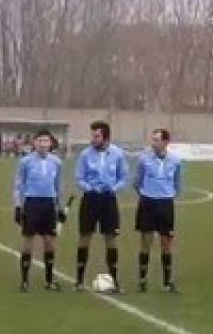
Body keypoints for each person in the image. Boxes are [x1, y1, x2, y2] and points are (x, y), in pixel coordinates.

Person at [74, 121, 129, 292]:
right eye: (92, 135)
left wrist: (114, 188)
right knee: (85, 237)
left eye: (96, 135)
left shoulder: (118, 154)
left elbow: (124, 177)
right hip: (90, 200)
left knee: (110, 239)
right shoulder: (85, 154)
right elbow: (79, 177)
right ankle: (79, 280)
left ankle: (114, 280)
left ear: (105, 136)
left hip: (108, 200)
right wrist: (89, 188)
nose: (93, 138)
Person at [13, 129, 64, 292]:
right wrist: (17, 206)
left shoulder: (56, 162)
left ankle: (49, 280)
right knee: (28, 240)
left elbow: (58, 186)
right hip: (32, 203)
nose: (43, 144)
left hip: (49, 204)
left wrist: (60, 206)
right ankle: (24, 281)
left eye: (46, 141)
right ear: (34, 143)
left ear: (50, 144)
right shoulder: (25, 162)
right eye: (40, 141)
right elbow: (18, 185)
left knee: (49, 241)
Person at [134, 128, 183, 293]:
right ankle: (142, 280)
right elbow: (137, 182)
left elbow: (178, 185)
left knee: (166, 244)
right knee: (146, 243)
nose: (153, 142)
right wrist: (147, 194)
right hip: (147, 203)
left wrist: (167, 195)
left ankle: (167, 282)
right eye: (152, 139)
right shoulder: (144, 159)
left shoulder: (175, 161)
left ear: (165, 142)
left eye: (156, 140)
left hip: (166, 205)